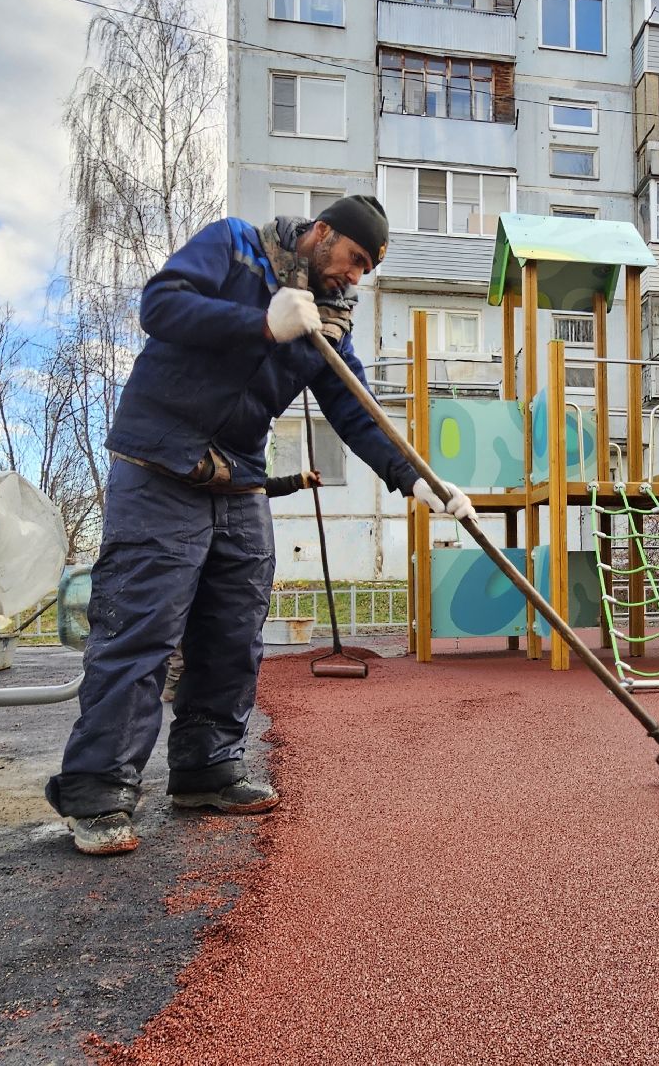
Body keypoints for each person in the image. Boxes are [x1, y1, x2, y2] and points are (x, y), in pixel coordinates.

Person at [47, 196, 475, 856]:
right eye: (353, 258)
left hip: (238, 474)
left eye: (366, 270)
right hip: (160, 459)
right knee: (141, 624)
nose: (355, 276)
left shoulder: (329, 324)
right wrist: (262, 324)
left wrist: (420, 481)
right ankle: (97, 789)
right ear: (321, 232)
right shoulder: (234, 247)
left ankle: (207, 766)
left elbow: (358, 412)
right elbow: (160, 306)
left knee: (234, 625)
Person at [161, 469, 320, 705]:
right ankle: (176, 683)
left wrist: (297, 481)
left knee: (215, 627)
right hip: (186, 552)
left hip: (218, 556)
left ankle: (198, 686)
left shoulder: (232, 474)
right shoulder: (185, 477)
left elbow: (257, 485)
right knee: (183, 622)